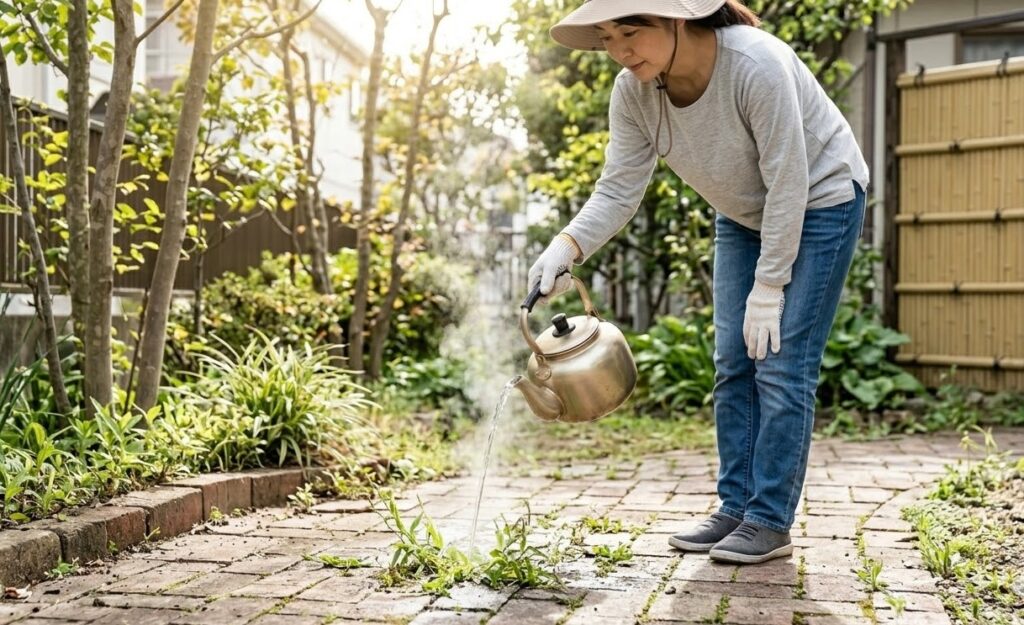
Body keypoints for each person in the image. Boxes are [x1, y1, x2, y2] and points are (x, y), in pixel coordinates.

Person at [528, 0, 869, 564]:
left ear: (678, 18)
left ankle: (769, 520)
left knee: (780, 363)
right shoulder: (633, 91)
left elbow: (789, 180)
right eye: (607, 37)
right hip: (741, 214)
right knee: (732, 361)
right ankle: (735, 508)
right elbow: (618, 187)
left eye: (631, 31)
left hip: (820, 202)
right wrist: (566, 247)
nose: (620, 50)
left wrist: (770, 287)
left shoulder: (755, 64)